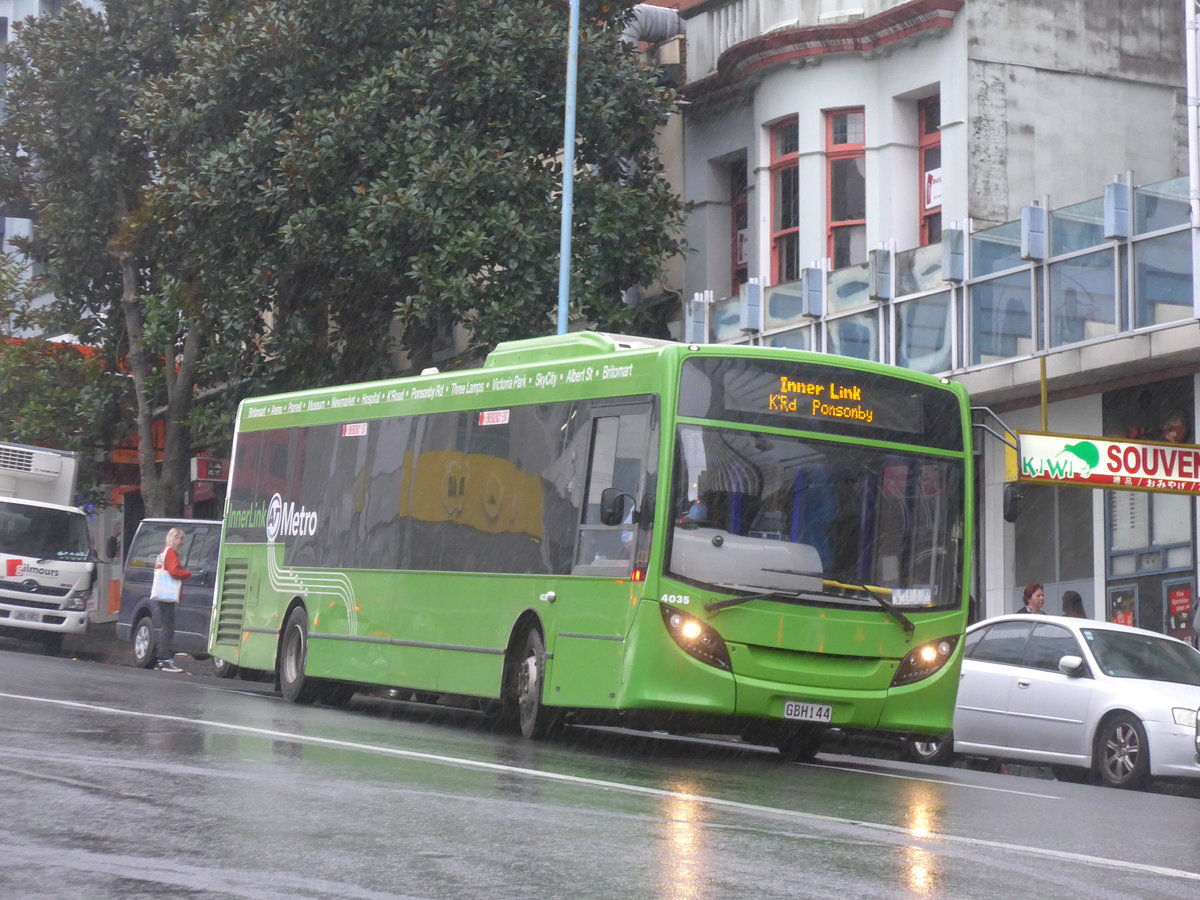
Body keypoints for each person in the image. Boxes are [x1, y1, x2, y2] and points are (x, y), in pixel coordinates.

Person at [151, 527, 192, 673]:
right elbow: (174, 571)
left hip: (162, 594)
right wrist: (187, 573)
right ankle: (165, 660)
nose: (182, 542)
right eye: (180, 538)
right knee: (168, 629)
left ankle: (162, 660)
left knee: (165, 627)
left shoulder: (163, 552)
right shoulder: (171, 553)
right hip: (167, 596)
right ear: (174, 539)